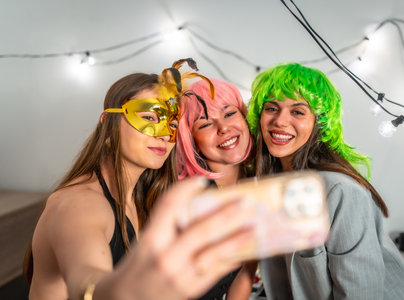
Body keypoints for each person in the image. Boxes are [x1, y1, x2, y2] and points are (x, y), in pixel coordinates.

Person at [25, 59, 256, 300]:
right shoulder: (80, 203)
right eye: (149, 118)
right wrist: (119, 290)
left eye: (172, 124)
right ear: (108, 122)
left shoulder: (143, 198)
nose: (165, 134)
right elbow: (86, 281)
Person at [246, 62, 404, 299]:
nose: (280, 121)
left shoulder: (340, 192)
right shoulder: (270, 189)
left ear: (319, 123)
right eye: (272, 108)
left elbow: (359, 295)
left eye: (298, 111)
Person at [177, 78, 257, 299]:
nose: (223, 128)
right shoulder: (183, 198)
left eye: (229, 113)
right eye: (204, 124)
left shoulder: (258, 186)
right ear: (192, 140)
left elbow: (246, 271)